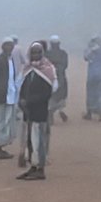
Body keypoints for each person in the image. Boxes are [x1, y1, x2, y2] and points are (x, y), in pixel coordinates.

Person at [17, 41, 58, 181]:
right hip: (28, 112)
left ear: (42, 53)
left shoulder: (48, 69)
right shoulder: (27, 69)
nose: (35, 55)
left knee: (39, 140)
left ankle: (40, 168)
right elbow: (22, 87)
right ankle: (32, 167)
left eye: (38, 52)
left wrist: (30, 101)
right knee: (30, 140)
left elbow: (47, 92)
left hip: (39, 111)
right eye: (33, 52)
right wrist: (21, 100)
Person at [83, 36, 101, 121]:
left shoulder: (91, 49)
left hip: (91, 73)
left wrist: (91, 50)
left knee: (90, 93)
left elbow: (86, 58)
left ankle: (89, 113)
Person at [47, 35, 70, 124]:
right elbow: (65, 66)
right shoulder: (63, 54)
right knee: (62, 95)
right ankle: (59, 110)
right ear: (59, 43)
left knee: (51, 96)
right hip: (60, 77)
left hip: (50, 77)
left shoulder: (46, 54)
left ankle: (50, 111)